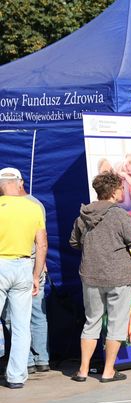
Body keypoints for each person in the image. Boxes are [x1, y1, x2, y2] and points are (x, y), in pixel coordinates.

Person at [69, 172, 131, 383]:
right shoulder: (120, 215)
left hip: (91, 275)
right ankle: (108, 371)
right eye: (121, 188)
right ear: (113, 192)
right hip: (118, 276)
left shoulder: (83, 215)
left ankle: (83, 370)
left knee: (91, 322)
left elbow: (73, 243)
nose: (123, 191)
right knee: (116, 323)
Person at [0, 167, 47, 389]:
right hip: (24, 265)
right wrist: (36, 275)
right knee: (21, 326)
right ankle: (17, 376)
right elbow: (42, 244)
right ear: (19, 183)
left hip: (1, 264)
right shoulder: (34, 207)